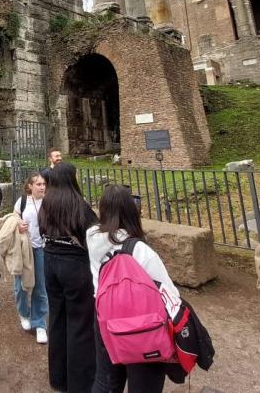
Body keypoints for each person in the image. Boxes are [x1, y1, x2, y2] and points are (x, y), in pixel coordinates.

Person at [87, 185, 181, 393]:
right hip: (140, 323)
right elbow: (170, 293)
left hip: (105, 314)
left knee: (106, 379)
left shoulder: (92, 237)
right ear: (131, 211)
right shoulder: (140, 251)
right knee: (144, 382)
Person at [39, 162, 98, 393]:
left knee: (57, 318)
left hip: (50, 261)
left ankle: (58, 378)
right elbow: (93, 234)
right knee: (80, 323)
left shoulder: (47, 203)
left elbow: (41, 228)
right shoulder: (78, 205)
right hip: (74, 265)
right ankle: (80, 383)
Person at [13, 173, 48, 345]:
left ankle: (39, 323)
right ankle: (24, 313)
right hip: (24, 248)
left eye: (44, 184)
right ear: (30, 186)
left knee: (40, 287)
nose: (42, 187)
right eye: (38, 184)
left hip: (42, 248)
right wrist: (18, 224)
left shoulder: (49, 202)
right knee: (21, 286)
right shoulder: (23, 201)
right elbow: (14, 217)